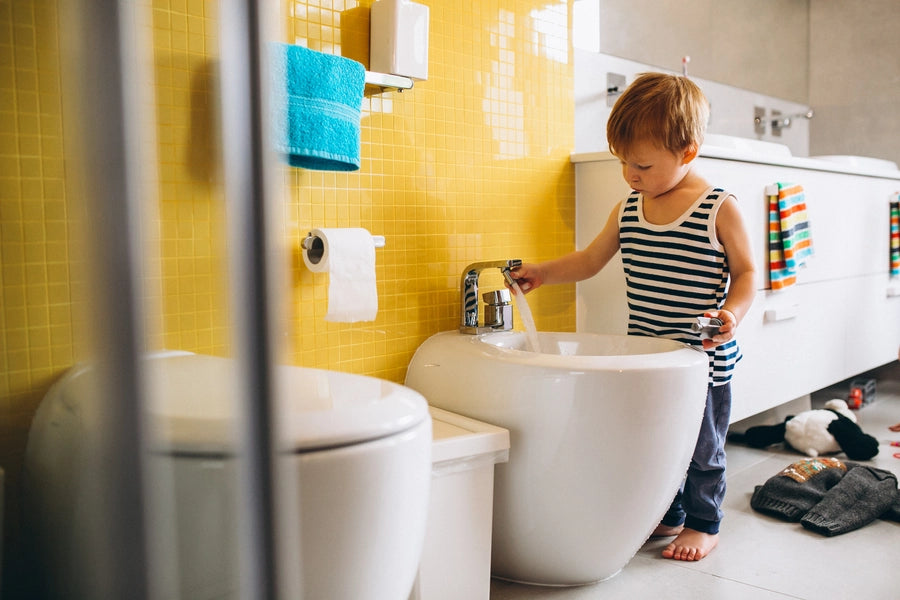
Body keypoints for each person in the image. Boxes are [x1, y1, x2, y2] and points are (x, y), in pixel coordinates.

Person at [509, 72, 757, 562]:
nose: (630, 174)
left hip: (701, 359)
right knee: (656, 441)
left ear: (688, 151)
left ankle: (705, 523)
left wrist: (731, 313)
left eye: (641, 164)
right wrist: (541, 272)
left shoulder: (717, 208)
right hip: (646, 355)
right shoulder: (628, 209)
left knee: (702, 447)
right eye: (623, 161)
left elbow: (748, 272)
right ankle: (670, 513)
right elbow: (588, 260)